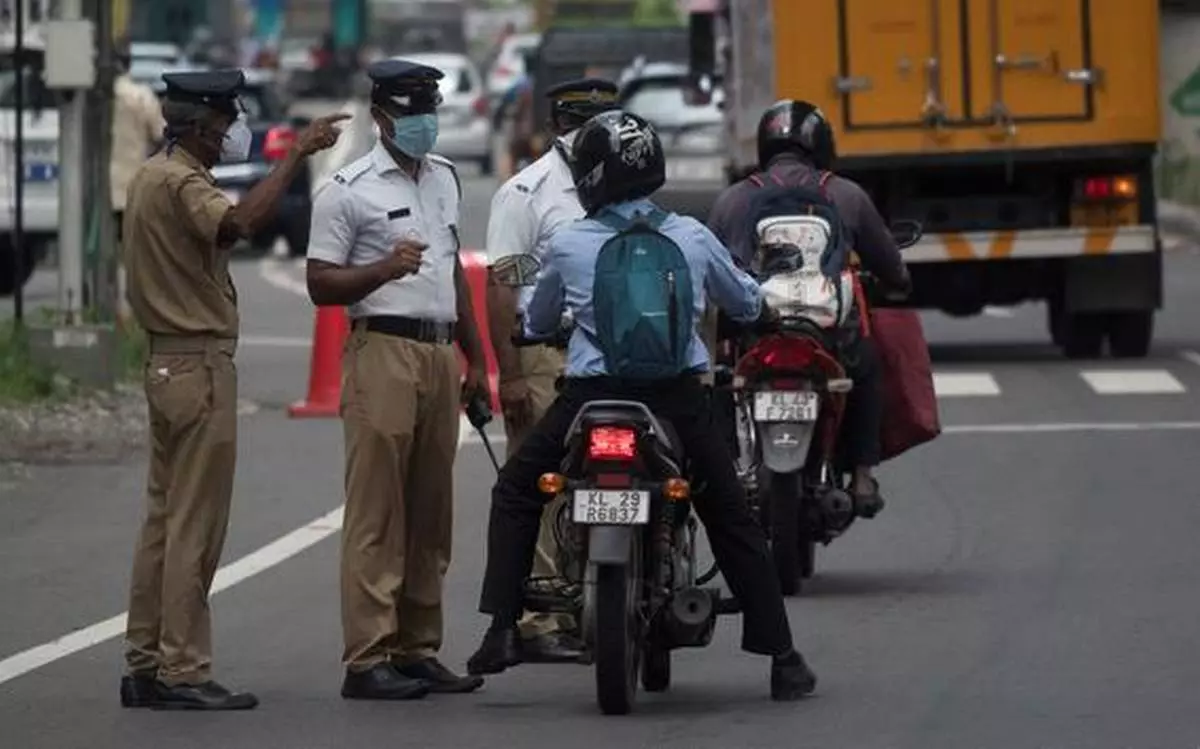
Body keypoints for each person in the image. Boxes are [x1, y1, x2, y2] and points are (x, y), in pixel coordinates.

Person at [465, 110, 818, 702]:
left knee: (517, 491)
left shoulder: (570, 241)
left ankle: (501, 628)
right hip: (676, 401)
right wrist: (763, 313)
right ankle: (782, 658)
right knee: (731, 517)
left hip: (590, 399)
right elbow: (745, 299)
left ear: (592, 176)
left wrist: (537, 330)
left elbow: (542, 317)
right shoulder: (690, 235)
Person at [120, 69, 349, 710]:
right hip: (197, 365)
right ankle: (183, 670)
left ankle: (144, 661)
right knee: (196, 526)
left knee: (163, 524)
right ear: (199, 126)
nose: (231, 134)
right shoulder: (184, 183)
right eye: (224, 123)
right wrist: (295, 154)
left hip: (166, 365)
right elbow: (239, 223)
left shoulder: (149, 175)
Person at [305, 58, 489, 701]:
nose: (423, 125)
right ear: (381, 117)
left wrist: (477, 364)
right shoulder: (347, 189)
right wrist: (382, 269)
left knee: (431, 511)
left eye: (429, 112)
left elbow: (454, 278)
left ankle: (417, 647)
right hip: (382, 351)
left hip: (439, 352)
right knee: (378, 510)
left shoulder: (443, 179)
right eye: (410, 114)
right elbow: (319, 284)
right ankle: (368, 656)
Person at [706, 99, 911, 518]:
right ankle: (862, 474)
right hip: (827, 332)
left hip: (755, 328)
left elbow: (708, 269)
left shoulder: (733, 199)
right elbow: (893, 269)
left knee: (716, 374)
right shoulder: (846, 194)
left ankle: (725, 467)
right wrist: (896, 282)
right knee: (868, 365)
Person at [484, 77, 621, 663]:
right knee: (544, 484)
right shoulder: (528, 192)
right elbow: (502, 284)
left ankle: (603, 599)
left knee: (614, 480)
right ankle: (541, 619)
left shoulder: (620, 185)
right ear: (563, 128)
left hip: (613, 355)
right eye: (586, 126)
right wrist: (509, 374)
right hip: (547, 354)